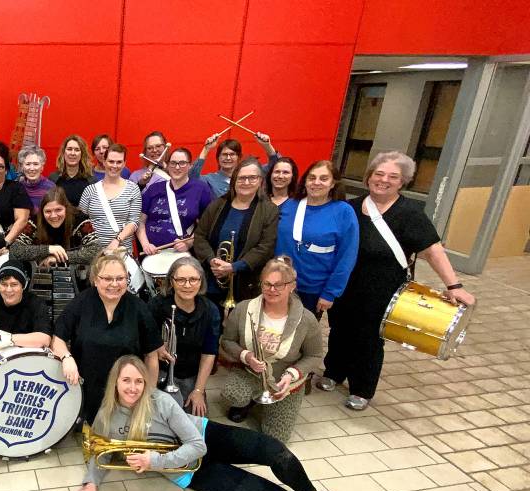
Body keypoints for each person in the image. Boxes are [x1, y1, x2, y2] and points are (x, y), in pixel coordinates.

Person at [69, 356, 426, 491]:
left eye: (137, 381)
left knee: (275, 451)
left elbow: (197, 444)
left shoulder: (161, 401)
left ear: (145, 383)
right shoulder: (105, 415)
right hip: (189, 473)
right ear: (115, 383)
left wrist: (154, 462)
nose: (132, 388)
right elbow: (100, 451)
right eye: (125, 381)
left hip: (206, 438)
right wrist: (91, 481)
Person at [319, 151, 475, 410]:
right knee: (340, 329)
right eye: (378, 174)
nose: (383, 180)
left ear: (402, 182)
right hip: (346, 284)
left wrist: (454, 285)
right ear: (369, 177)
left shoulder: (409, 212)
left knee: (369, 338)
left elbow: (433, 249)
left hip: (383, 287)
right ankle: (334, 371)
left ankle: (362, 387)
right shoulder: (351, 207)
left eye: (393, 176)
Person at [52, 251, 162, 422]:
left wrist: (149, 394)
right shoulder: (81, 302)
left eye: (120, 278)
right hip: (87, 390)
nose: (114, 284)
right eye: (107, 279)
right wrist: (66, 357)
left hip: (126, 392)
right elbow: (58, 338)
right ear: (96, 280)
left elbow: (151, 355)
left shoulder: (139, 307)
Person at [220, 258, 322, 441]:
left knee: (276, 437)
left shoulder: (307, 319)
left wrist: (291, 375)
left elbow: (314, 355)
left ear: (292, 286)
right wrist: (246, 356)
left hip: (283, 379)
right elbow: (227, 341)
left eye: (278, 285)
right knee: (233, 394)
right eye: (267, 284)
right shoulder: (244, 308)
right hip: (249, 371)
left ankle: (272, 403)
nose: (271, 290)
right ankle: (249, 401)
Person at [192, 157, 278, 311]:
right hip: (214, 276)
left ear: (260, 180)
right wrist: (211, 260)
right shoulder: (218, 204)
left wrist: (235, 267)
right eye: (242, 178)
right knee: (212, 322)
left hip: (246, 282)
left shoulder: (269, 210)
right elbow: (200, 236)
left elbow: (265, 247)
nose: (246, 182)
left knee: (240, 324)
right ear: (234, 180)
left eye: (252, 178)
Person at [275, 160, 358, 317]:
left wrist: (330, 292)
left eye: (323, 178)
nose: (316, 183)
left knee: (300, 336)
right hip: (279, 283)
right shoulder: (289, 205)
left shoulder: (343, 212)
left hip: (312, 289)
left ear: (333, 183)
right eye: (312, 178)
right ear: (305, 181)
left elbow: (347, 256)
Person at [147, 257, 220, 416]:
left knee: (197, 422)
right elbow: (146, 346)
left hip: (191, 375)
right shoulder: (156, 306)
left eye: (193, 279)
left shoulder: (210, 311)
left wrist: (199, 390)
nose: (187, 285)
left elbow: (209, 353)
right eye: (180, 280)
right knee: (161, 419)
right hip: (161, 372)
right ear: (171, 281)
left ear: (201, 281)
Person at [138, 147, 212, 255]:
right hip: (152, 253)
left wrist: (189, 242)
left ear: (190, 166)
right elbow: (140, 222)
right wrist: (145, 245)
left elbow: (206, 225)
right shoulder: (153, 188)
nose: (177, 167)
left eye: (182, 163)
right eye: (173, 163)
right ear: (167, 166)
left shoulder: (201, 189)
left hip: (183, 254)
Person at [10, 187, 101, 271]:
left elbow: (96, 251)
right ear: (42, 211)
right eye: (48, 211)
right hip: (39, 274)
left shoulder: (80, 220)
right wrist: (48, 249)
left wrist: (58, 257)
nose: (53, 216)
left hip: (75, 276)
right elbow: (16, 250)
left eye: (58, 210)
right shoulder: (35, 221)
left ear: (66, 208)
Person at [0, 264, 51, 350]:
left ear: (23, 286)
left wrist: (10, 338)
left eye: (14, 284)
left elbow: (45, 339)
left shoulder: (36, 304)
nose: (8, 290)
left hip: (28, 357)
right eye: (4, 284)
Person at [79, 143, 141, 252]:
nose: (115, 166)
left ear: (124, 164)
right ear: (104, 162)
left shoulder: (133, 189)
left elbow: (134, 222)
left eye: (119, 162)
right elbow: (81, 223)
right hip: (93, 254)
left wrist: (117, 240)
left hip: (122, 251)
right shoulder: (89, 190)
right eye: (111, 161)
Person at [190, 132, 279, 198]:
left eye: (232, 154)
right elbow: (191, 176)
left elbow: (276, 166)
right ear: (218, 158)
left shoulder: (251, 174)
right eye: (224, 154)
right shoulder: (209, 180)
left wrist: (267, 145)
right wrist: (206, 149)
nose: (228, 158)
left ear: (239, 157)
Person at [48, 134, 97, 205]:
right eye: (69, 149)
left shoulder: (91, 180)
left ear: (82, 154)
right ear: (63, 152)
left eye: (77, 150)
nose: (73, 153)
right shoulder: (53, 178)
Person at [17, 145, 53, 213]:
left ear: (42, 167)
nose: (32, 168)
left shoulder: (51, 188)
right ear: (22, 167)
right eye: (28, 164)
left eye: (36, 164)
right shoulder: (17, 187)